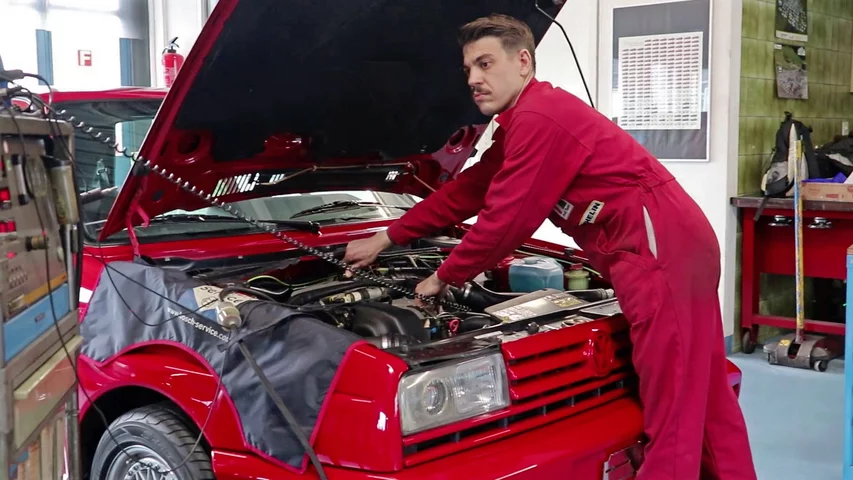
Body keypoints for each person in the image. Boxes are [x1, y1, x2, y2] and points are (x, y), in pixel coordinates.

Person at [343, 13, 756, 480]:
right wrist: (388, 235)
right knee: (706, 395)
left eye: (485, 63)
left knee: (674, 405)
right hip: (671, 246)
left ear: (523, 61)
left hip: (657, 254)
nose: (473, 79)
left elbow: (506, 221)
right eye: (468, 69)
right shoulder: (523, 121)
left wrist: (443, 276)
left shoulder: (539, 118)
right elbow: (468, 190)